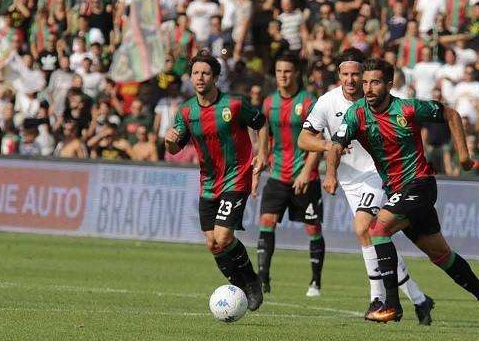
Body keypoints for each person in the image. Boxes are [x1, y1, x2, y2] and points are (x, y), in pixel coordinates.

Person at [324, 58, 479, 332]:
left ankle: (391, 305)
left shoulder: (407, 108)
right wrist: (331, 174)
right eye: (365, 83)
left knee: (378, 229)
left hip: (420, 184)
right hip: (397, 191)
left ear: (389, 84)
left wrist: (464, 156)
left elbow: (451, 114)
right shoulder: (356, 114)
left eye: (375, 82)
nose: (368, 88)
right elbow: (336, 145)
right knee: (441, 255)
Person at [298, 48, 434, 322]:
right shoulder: (327, 102)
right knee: (375, 239)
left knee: (364, 228)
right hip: (350, 180)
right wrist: (329, 147)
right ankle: (419, 298)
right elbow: (303, 139)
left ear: (365, 77)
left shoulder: (376, 100)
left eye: (356, 75)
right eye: (346, 74)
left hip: (378, 174)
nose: (351, 80)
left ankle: (377, 299)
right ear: (339, 75)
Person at [164, 50, 265, 312]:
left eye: (205, 73)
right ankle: (239, 286)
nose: (200, 77)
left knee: (223, 235)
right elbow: (174, 149)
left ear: (216, 77)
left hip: (236, 177)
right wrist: (169, 140)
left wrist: (262, 154)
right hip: (208, 182)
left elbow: (261, 123)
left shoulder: (234, 105)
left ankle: (252, 281)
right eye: (196, 73)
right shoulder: (186, 111)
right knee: (213, 244)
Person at [254, 53, 324, 297]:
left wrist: (307, 170)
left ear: (296, 74)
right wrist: (262, 155)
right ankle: (262, 280)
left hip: (305, 178)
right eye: (278, 71)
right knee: (266, 223)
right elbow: (265, 132)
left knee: (313, 229)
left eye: (287, 71)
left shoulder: (308, 102)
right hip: (277, 175)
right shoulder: (269, 103)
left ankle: (315, 282)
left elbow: (318, 139)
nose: (282, 76)